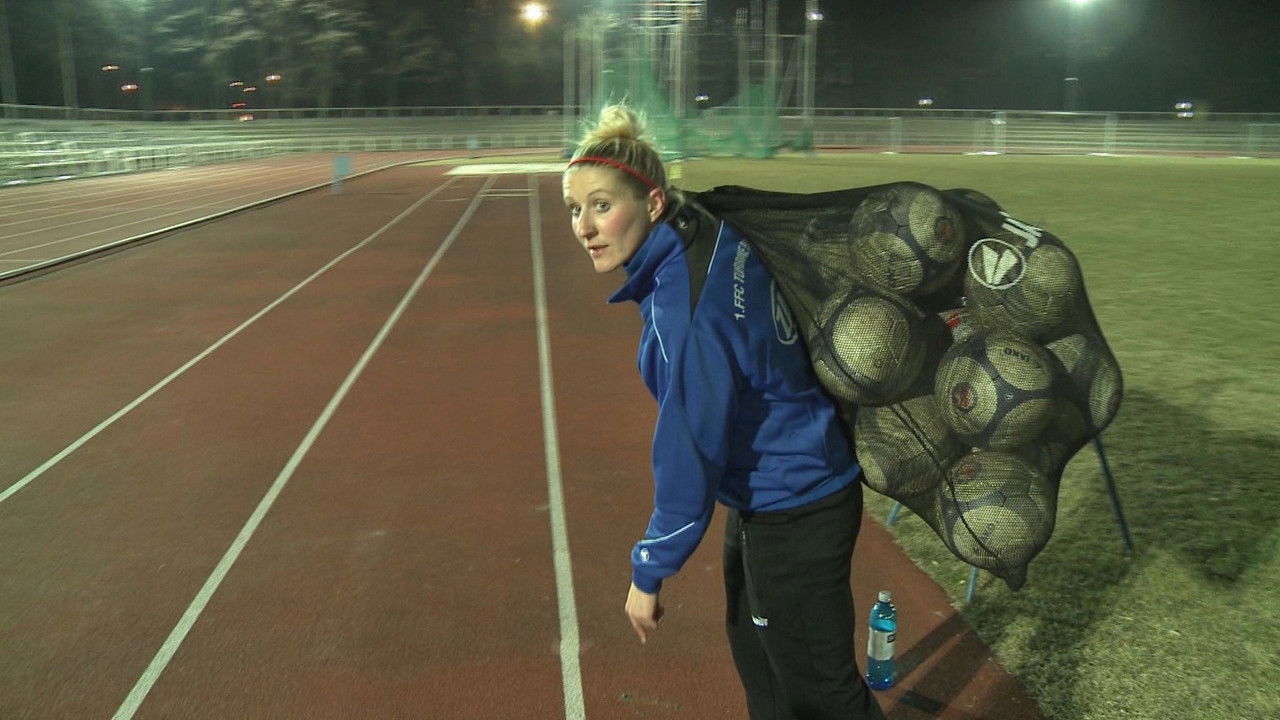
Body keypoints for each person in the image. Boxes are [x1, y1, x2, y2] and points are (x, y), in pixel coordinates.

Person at [562, 105, 886, 720]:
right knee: (765, 669)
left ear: (653, 203)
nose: (585, 227)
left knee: (821, 694)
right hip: (782, 488)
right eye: (575, 209)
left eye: (602, 206)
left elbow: (690, 449)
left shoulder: (682, 315)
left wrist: (650, 569)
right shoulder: (705, 230)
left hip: (793, 500)